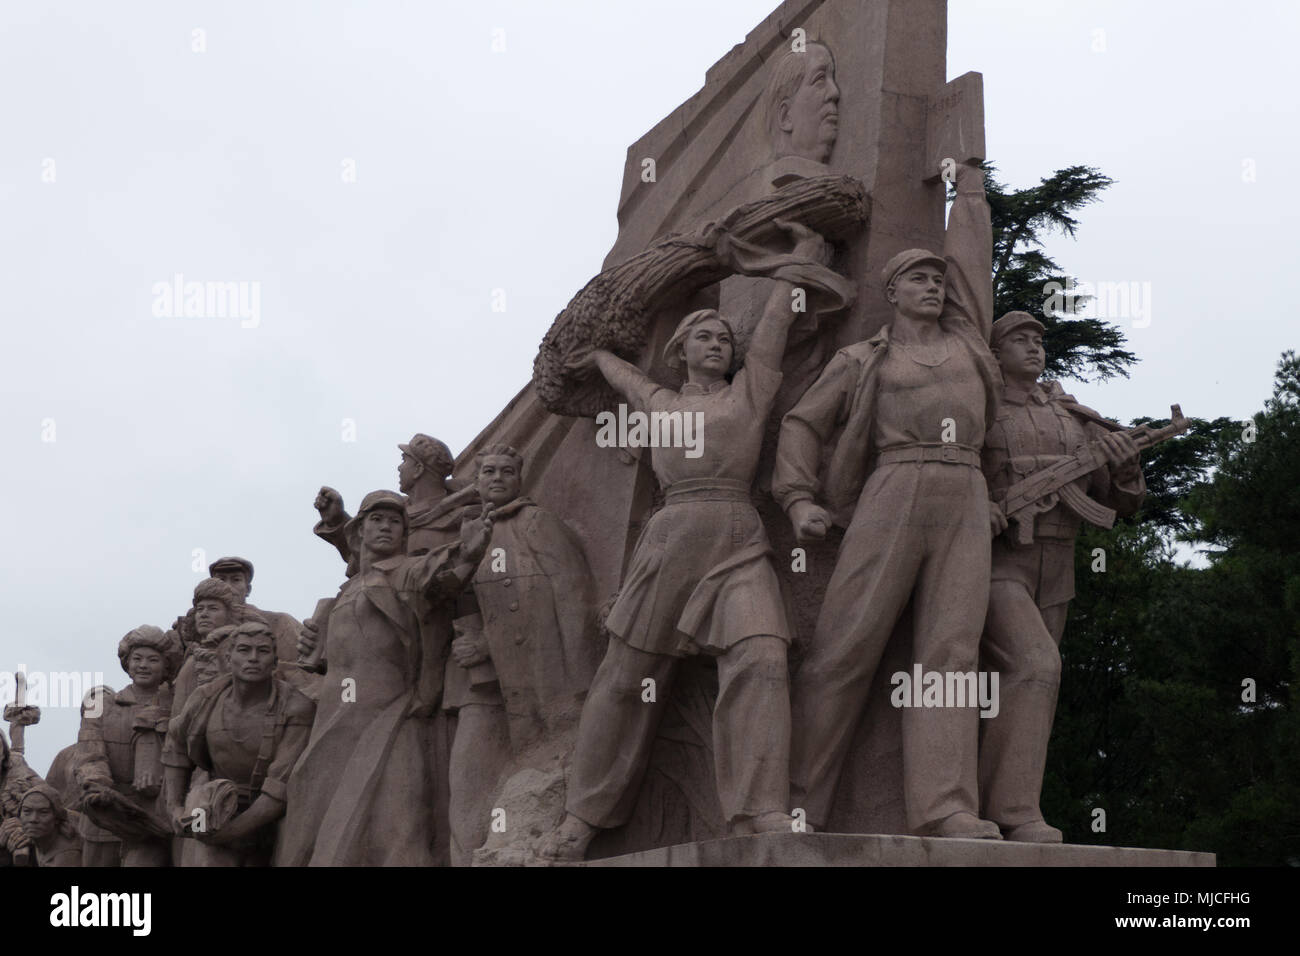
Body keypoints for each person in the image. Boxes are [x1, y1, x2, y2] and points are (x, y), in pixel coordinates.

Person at [543, 219, 838, 860]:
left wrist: (799, 260)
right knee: (627, 676)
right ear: (679, 352)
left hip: (736, 535)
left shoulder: (751, 392)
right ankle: (581, 818)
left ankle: (758, 810)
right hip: (672, 537)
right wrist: (591, 354)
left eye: (723, 338)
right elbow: (609, 372)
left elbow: (773, 334)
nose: (717, 344)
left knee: (761, 659)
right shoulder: (655, 401)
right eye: (703, 335)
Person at [772, 160, 1004, 838]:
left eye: (938, 279)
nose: (933, 287)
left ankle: (945, 808)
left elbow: (972, 270)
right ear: (893, 292)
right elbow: (801, 423)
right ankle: (799, 802)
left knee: (952, 654)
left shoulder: (970, 345)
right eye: (918, 279)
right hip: (893, 486)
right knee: (846, 646)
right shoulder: (864, 359)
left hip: (965, 487)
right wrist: (797, 499)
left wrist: (971, 189)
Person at [978, 311, 1145, 841]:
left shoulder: (1073, 417)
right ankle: (1013, 813)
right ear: (996, 350)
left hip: (1060, 563)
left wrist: (1124, 467)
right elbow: (953, 470)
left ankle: (997, 807)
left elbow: (1119, 501)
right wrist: (980, 502)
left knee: (1030, 686)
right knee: (1036, 666)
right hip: (999, 561)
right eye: (1018, 340)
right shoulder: (978, 407)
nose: (1032, 347)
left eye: (1037, 340)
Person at [277, 490, 492, 866]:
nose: (386, 527)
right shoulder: (349, 588)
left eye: (395, 522)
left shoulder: (404, 571)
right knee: (312, 800)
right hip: (336, 717)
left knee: (398, 820)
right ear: (359, 531)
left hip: (389, 714)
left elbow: (437, 575)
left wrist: (467, 552)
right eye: (377, 520)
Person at [447, 443, 601, 863]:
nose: (497, 479)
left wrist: (581, 671)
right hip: (509, 671)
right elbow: (471, 602)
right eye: (489, 472)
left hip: (552, 663)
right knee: (529, 753)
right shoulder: (474, 536)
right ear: (476, 483)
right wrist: (479, 642)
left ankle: (558, 837)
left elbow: (574, 594)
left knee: (561, 750)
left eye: (506, 472)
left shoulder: (537, 522)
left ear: (520, 478)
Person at [164, 620, 315, 866]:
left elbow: (279, 789)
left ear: (275, 661)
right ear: (228, 657)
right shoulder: (205, 698)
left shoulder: (297, 708)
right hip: (218, 806)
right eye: (244, 650)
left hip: (277, 817)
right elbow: (176, 747)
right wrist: (176, 808)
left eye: (263, 651)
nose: (253, 658)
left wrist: (230, 833)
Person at [76, 625, 182, 865]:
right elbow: (89, 754)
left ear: (166, 665)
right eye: (137, 659)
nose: (143, 665)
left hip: (154, 813)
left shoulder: (179, 706)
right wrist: (99, 788)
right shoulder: (102, 706)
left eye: (153, 660)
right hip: (108, 812)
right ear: (127, 662)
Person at [206, 556, 315, 698]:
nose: (227, 586)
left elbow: (306, 673)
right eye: (221, 580)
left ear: (248, 589)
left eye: (236, 579)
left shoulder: (279, 622)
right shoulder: (197, 629)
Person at [4, 784, 83, 867]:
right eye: (27, 811)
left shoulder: (66, 855)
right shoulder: (41, 839)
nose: (33, 819)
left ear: (56, 818)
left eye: (43, 812)